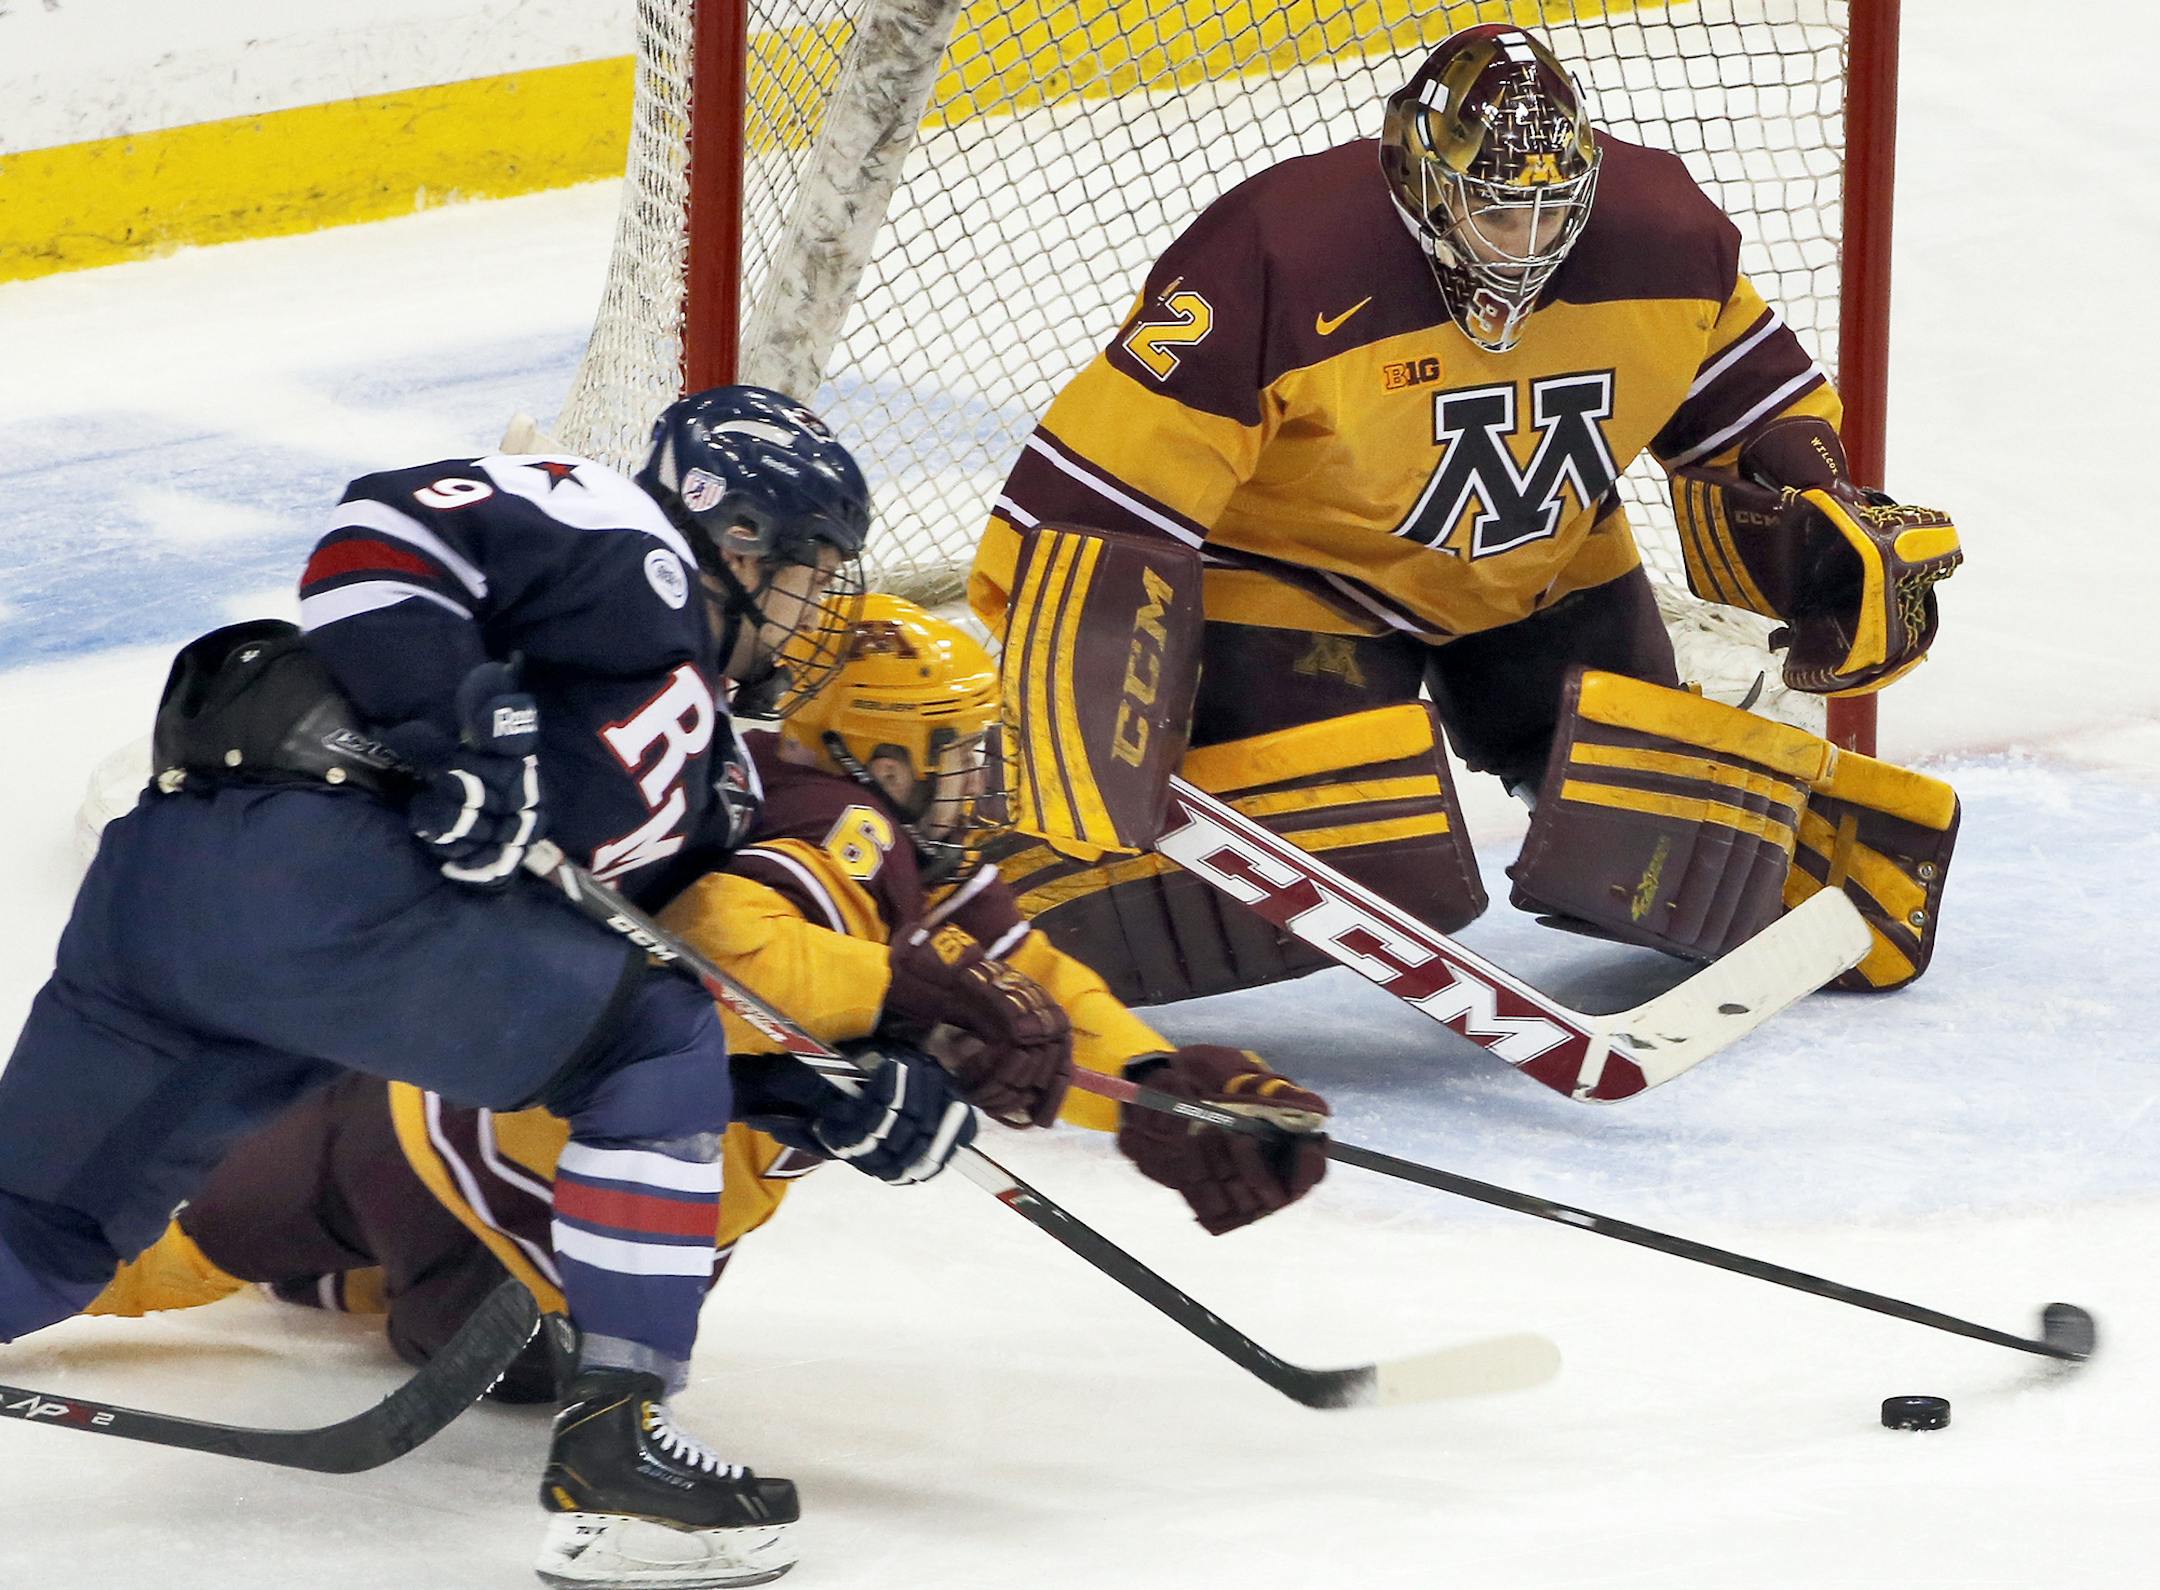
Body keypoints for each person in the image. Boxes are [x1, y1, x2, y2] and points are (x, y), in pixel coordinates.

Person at [0, 388, 1066, 1589]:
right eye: (812, 573)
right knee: (649, 1041)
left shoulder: (707, 770)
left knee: (43, 1233)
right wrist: (461, 730)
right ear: (743, 541)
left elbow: (615, 1017)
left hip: (186, 919)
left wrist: (815, 1101)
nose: (818, 612)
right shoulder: (627, 542)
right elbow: (378, 537)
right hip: (311, 850)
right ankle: (622, 1469)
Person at [86, 596, 1335, 1401]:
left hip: (445, 1137)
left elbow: (1032, 989)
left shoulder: (905, 863)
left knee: (208, 1234)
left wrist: (1156, 1091)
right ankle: (338, 1280)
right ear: (878, 752)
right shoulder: (831, 831)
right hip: (502, 1180)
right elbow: (721, 956)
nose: (976, 781)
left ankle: (335, 1282)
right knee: (216, 1242)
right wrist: (893, 997)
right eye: (955, 753)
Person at [969, 22, 1966, 1009]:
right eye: (1497, 214)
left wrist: (1827, 510)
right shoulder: (1281, 254)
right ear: (1422, 182)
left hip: (1544, 561)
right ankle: (983, 903)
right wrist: (1084, 660)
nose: (1526, 246)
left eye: (1551, 213)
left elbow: (1753, 410)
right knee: (1374, 858)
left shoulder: (1662, 237)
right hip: (1300, 579)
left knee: (1639, 808)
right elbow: (1100, 488)